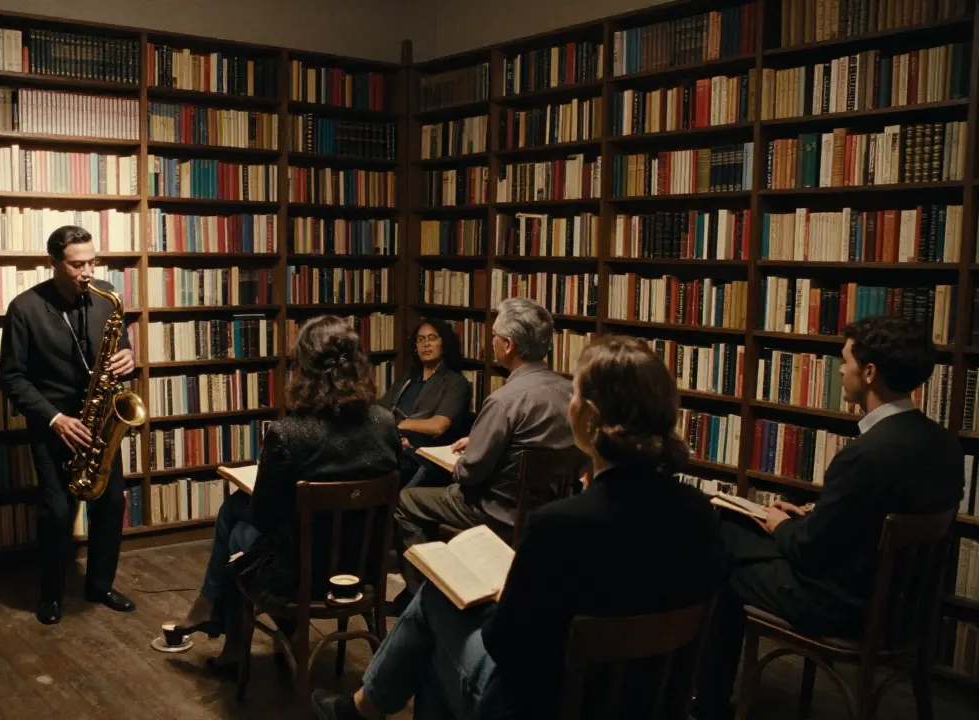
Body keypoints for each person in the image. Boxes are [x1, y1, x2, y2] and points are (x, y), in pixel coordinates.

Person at [311, 335, 725, 720]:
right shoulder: (700, 515)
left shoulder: (562, 527)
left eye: (575, 392)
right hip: (648, 704)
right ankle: (363, 706)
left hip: (543, 706)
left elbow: (505, 644)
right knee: (434, 639)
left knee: (436, 607)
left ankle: (364, 707)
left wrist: (503, 595)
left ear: (587, 419)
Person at [693, 315, 965, 720]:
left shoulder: (866, 454)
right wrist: (809, 515)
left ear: (869, 373)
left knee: (725, 538)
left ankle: (708, 701)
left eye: (845, 362)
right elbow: (871, 519)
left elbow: (809, 553)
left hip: (841, 606)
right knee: (737, 532)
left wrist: (781, 524)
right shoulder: (943, 443)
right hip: (899, 608)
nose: (840, 371)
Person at [161, 315, 400, 673]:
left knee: (236, 524)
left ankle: (230, 630)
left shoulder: (287, 433)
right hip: (362, 571)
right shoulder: (385, 423)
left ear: (303, 368)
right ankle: (229, 624)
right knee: (234, 510)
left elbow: (264, 518)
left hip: (300, 576)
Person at [389, 297, 574, 609]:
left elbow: (471, 474)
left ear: (509, 345)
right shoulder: (571, 392)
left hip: (496, 511)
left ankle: (426, 599)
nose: (492, 344)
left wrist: (462, 460)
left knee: (405, 501)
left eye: (494, 338)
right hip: (547, 508)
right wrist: (478, 439)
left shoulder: (504, 400)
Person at [0, 225, 137, 625]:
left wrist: (128, 356)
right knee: (57, 513)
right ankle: (52, 594)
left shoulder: (106, 297)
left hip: (99, 423)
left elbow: (120, 345)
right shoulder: (25, 308)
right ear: (54, 263)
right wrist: (56, 419)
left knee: (111, 504)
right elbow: (13, 377)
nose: (88, 271)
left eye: (92, 261)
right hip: (54, 424)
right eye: (77, 264)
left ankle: (100, 585)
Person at [377, 318, 472, 487]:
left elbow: (439, 425)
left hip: (424, 457)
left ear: (444, 343)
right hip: (393, 446)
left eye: (432, 338)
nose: (425, 344)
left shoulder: (455, 383)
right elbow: (381, 409)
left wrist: (401, 425)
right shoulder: (407, 378)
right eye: (420, 340)